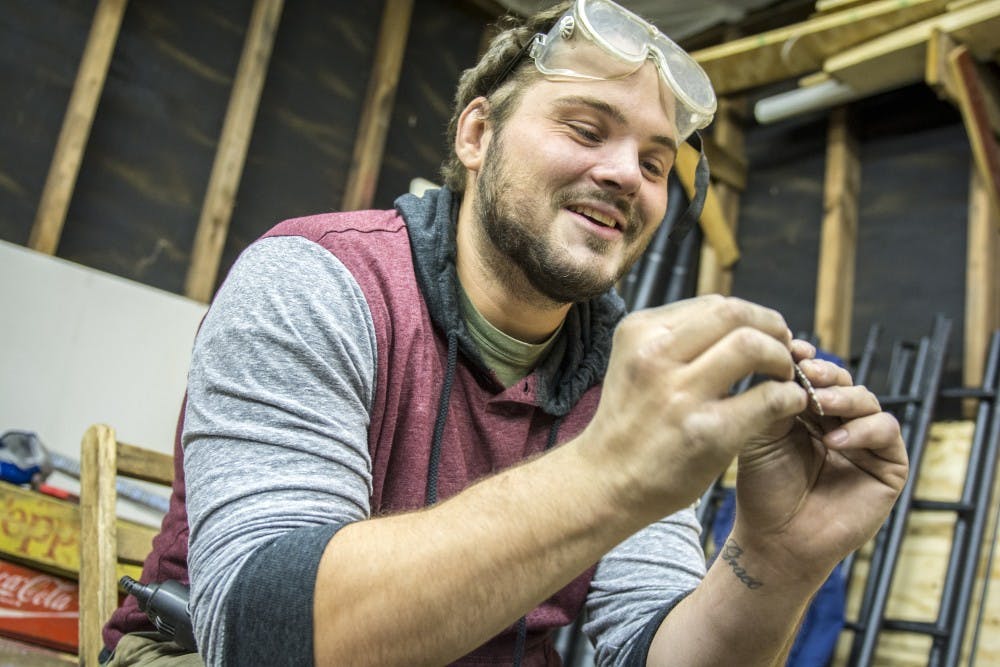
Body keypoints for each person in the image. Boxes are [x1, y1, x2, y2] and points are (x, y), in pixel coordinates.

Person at [101, 1, 908, 665]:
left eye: (656, 163)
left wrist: (773, 560)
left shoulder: (630, 378)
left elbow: (655, 650)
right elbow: (263, 642)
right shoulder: (316, 280)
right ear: (477, 135)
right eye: (587, 129)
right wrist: (610, 473)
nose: (626, 175)